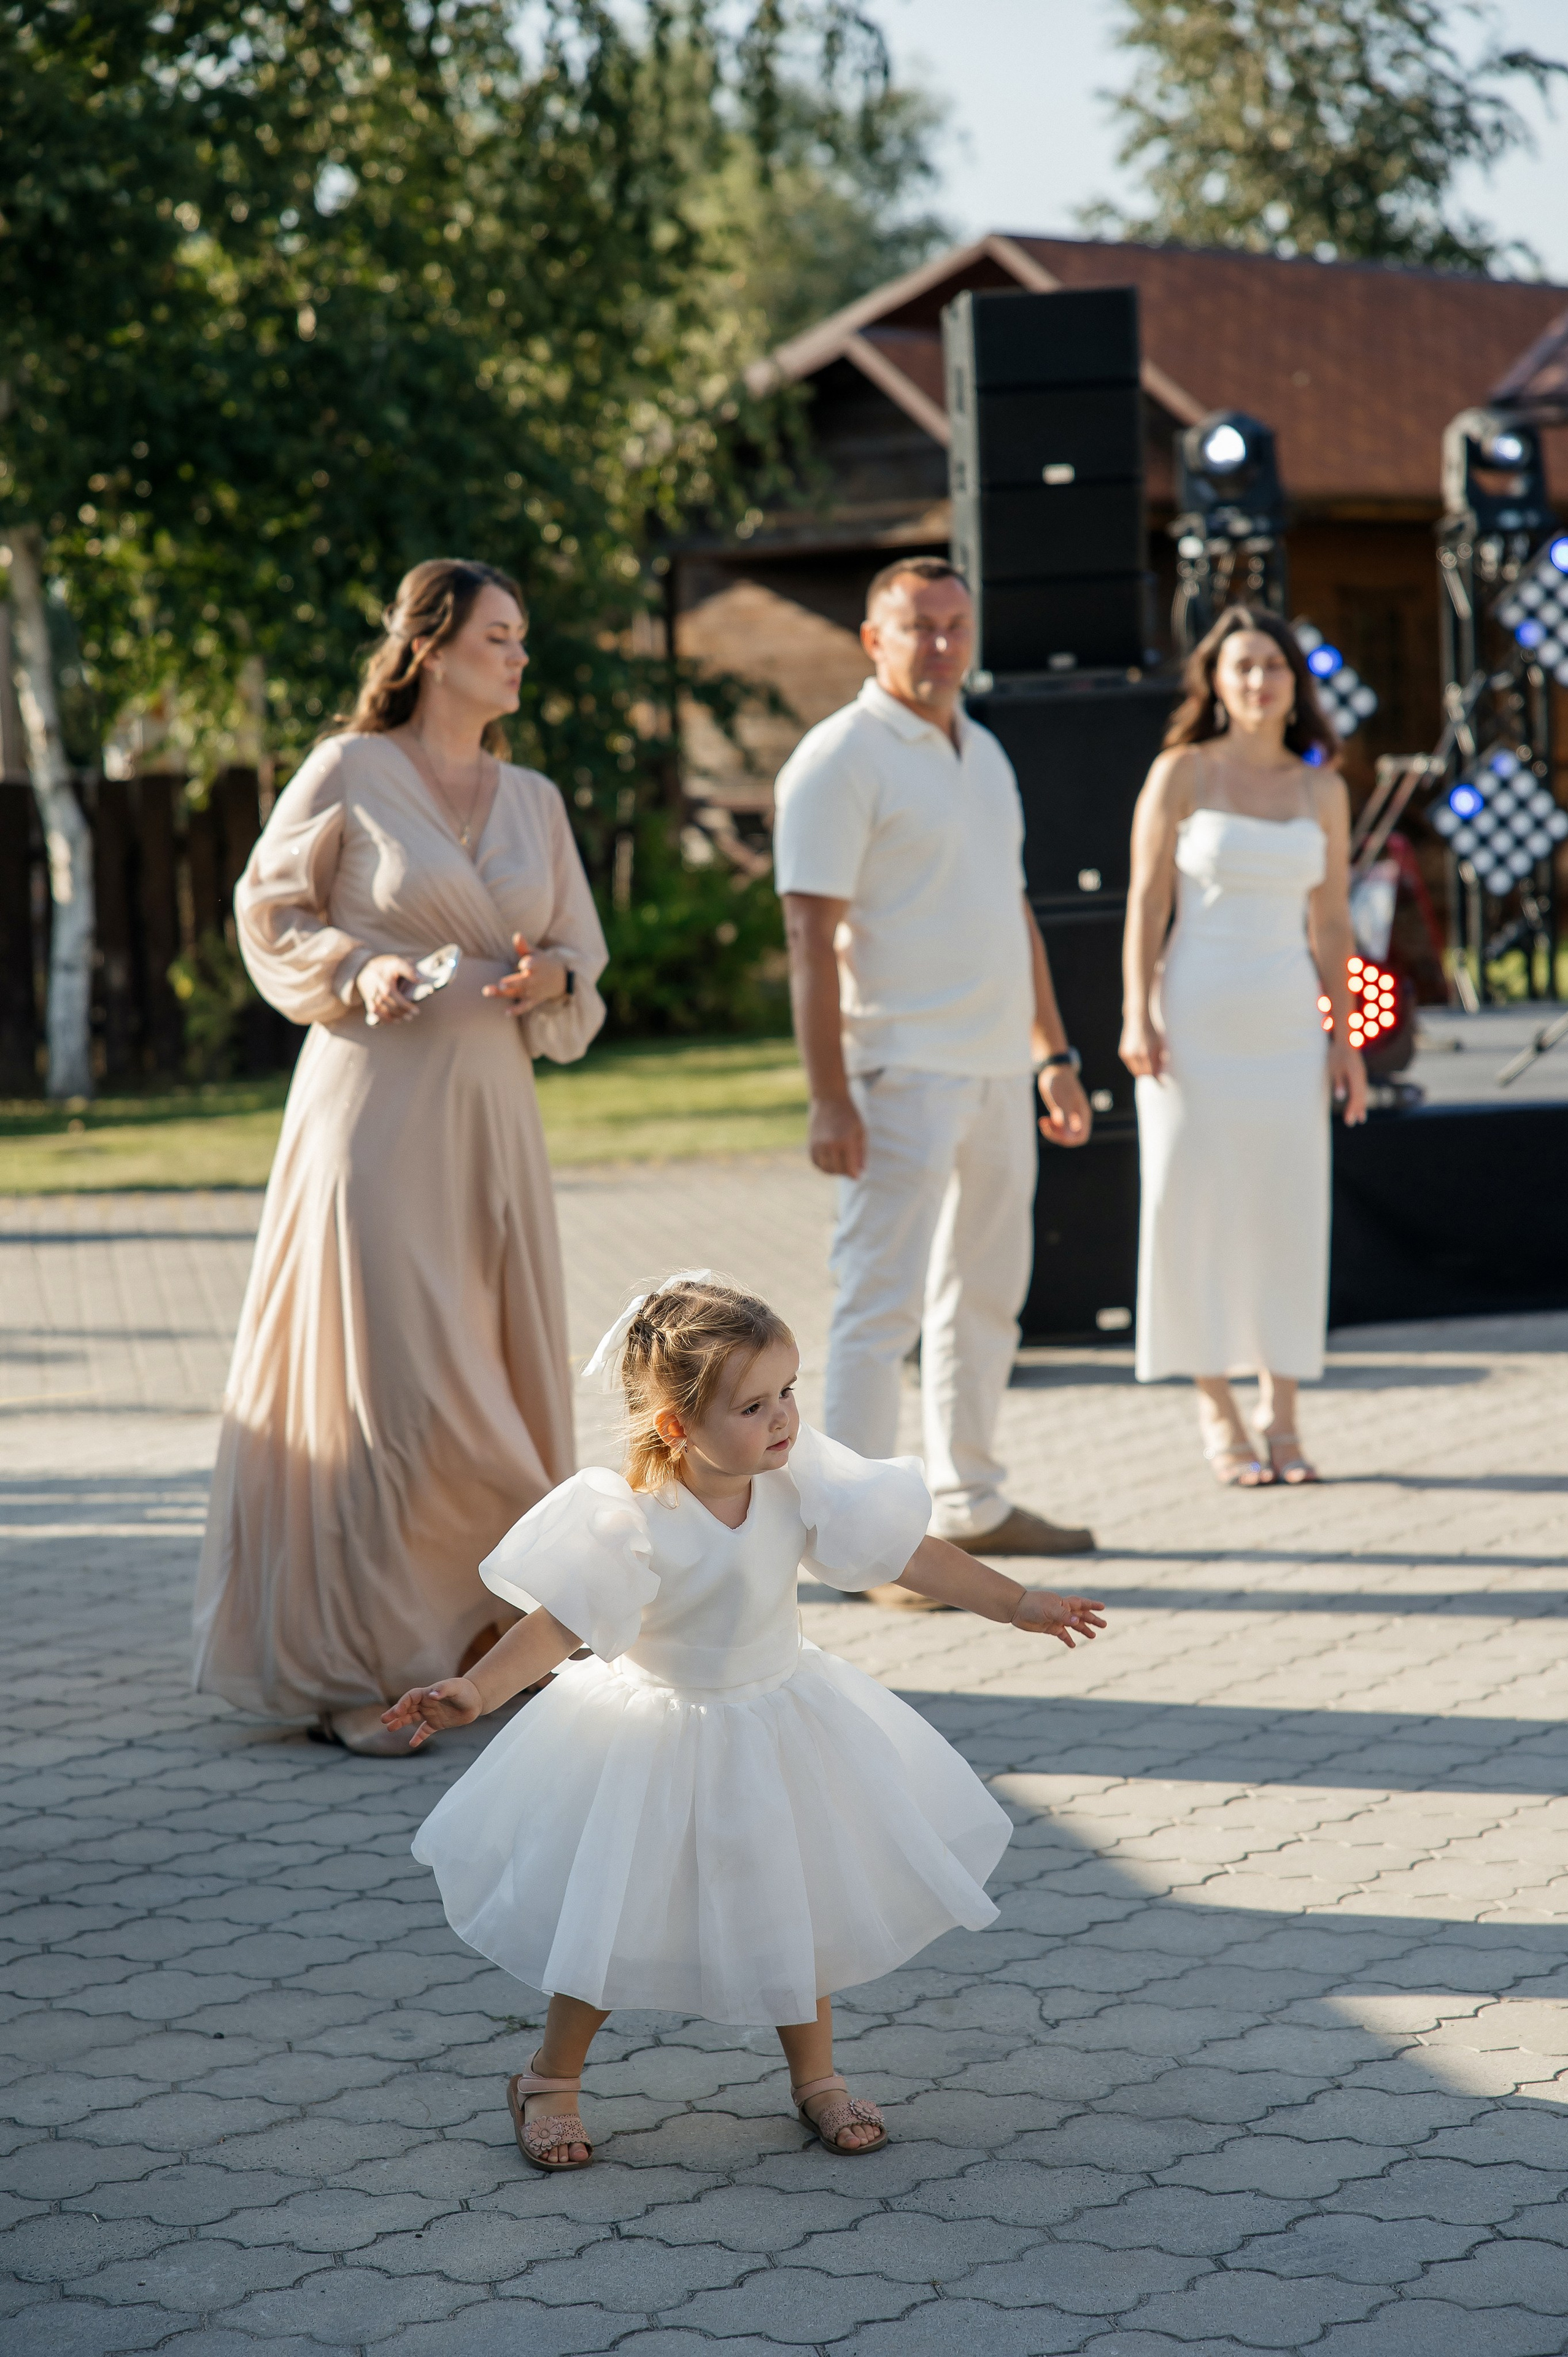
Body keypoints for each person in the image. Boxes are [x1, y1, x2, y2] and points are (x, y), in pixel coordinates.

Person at [388, 1272, 1106, 2167]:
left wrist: (1017, 1603)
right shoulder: (634, 1521)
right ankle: (550, 2077)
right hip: (656, 1741)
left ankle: (816, 2078)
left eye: (789, 1394)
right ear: (676, 1428)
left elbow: (908, 1555)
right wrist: (479, 1692)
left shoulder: (796, 1486)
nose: (783, 1420)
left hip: (776, 1724)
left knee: (790, 1900)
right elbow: (560, 1622)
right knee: (615, 1915)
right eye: (754, 1405)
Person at [193, 558, 608, 1752]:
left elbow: (583, 951)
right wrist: (355, 968)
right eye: (498, 635)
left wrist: (552, 978)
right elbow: (270, 910)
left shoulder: (533, 799)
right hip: (372, 1101)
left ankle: (476, 1642)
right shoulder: (350, 772)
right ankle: (368, 1660)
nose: (520, 655)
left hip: (490, 1109)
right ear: (431, 647)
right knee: (394, 1376)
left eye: (524, 635)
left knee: (485, 1361)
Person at [773, 555, 1097, 1587]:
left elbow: (1012, 915)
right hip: (898, 1074)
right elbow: (806, 938)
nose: (943, 644)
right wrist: (830, 1094)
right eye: (919, 626)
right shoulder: (838, 758)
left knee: (988, 1295)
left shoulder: (987, 754)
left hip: (1004, 1069)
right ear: (874, 639)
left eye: (957, 623)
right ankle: (859, 1546)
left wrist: (1055, 1052)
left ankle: (975, 1501)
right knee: (880, 1310)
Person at [1119, 605, 1369, 1487]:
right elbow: (1147, 902)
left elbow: (1333, 922)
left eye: (1273, 664)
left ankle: (1285, 1413)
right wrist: (1133, 1013)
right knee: (1191, 1205)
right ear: (1215, 682)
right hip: (1191, 1015)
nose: (1259, 680)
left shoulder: (1323, 789)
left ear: (1295, 682)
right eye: (1242, 666)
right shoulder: (1180, 771)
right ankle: (1216, 1408)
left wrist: (1348, 1037)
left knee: (1287, 1211)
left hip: (1287, 1024)